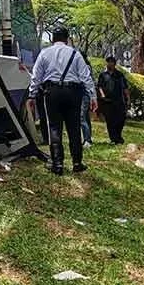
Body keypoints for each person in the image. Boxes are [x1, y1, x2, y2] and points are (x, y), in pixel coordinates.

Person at [28, 27, 96, 175]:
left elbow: (36, 76)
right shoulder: (75, 54)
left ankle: (57, 164)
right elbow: (86, 77)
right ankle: (77, 163)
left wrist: (32, 95)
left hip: (52, 92)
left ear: (53, 39)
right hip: (73, 92)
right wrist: (93, 97)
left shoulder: (44, 53)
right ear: (67, 39)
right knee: (74, 127)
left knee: (54, 127)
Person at [97, 55, 130, 144]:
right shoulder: (103, 75)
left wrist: (128, 98)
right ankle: (113, 138)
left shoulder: (119, 75)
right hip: (107, 101)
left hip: (119, 100)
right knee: (110, 120)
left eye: (111, 62)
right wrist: (102, 95)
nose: (109, 64)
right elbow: (99, 86)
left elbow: (125, 87)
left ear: (114, 64)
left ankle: (118, 136)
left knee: (120, 119)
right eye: (108, 62)